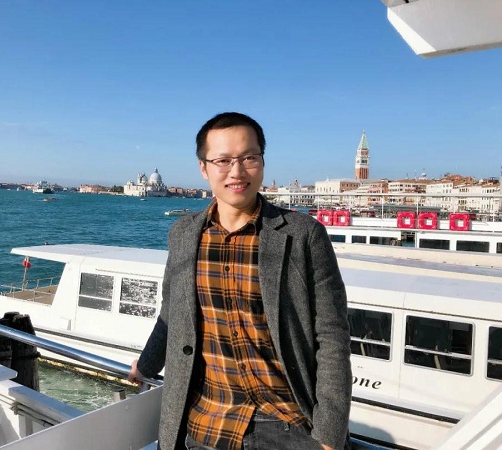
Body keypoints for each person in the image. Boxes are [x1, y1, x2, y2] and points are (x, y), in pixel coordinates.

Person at [128, 112, 351, 450]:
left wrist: (330, 435)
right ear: (204, 168)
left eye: (249, 158)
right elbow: (172, 314)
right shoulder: (183, 235)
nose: (237, 171)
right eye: (223, 161)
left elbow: (332, 336)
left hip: (288, 425)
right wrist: (145, 365)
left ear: (262, 161)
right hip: (206, 422)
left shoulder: (304, 235)